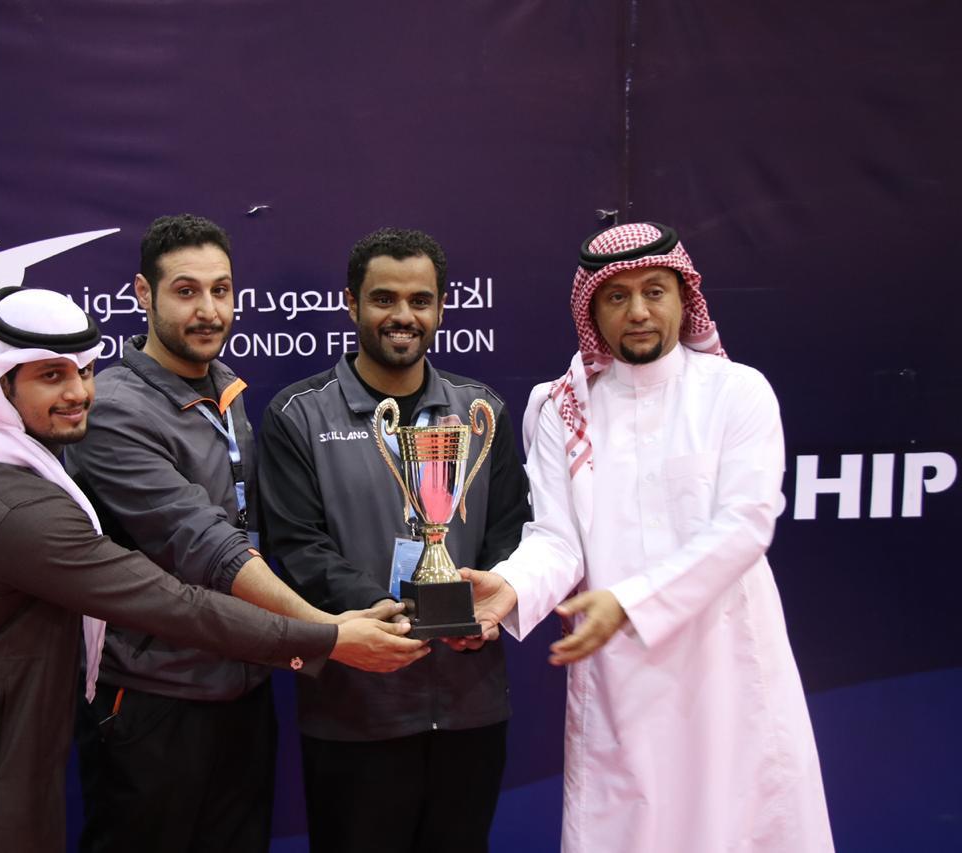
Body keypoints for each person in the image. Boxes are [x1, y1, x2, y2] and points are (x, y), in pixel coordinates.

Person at [0, 286, 424, 853]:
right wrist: (326, 638)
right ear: (0, 384)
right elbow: (170, 602)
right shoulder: (15, 504)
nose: (78, 393)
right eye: (51, 377)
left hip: (1, 750)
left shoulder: (7, 463)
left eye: (84, 371)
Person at [464, 222, 834, 852]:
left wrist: (629, 601)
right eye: (617, 296)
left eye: (654, 291)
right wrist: (510, 589)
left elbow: (745, 524)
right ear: (591, 311)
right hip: (620, 678)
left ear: (684, 298)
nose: (637, 311)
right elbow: (557, 539)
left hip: (730, 667)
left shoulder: (737, 392)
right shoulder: (561, 409)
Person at [67, 214, 398, 853]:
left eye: (221, 290)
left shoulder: (225, 389)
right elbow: (207, 545)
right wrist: (326, 634)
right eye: (186, 291)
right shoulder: (112, 409)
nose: (208, 310)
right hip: (154, 700)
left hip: (243, 689)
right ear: (143, 294)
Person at [257, 228, 530, 853]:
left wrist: (479, 608)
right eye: (384, 299)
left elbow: (511, 534)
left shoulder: (481, 411)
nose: (403, 315)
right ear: (351, 303)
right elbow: (299, 549)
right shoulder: (299, 414)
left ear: (441, 308)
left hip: (470, 707)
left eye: (419, 300)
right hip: (356, 709)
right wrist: (401, 613)